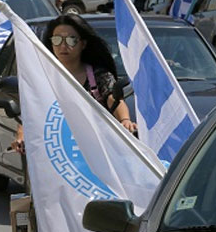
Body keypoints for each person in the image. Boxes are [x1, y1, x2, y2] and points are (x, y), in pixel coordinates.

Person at [11, 14, 137, 154]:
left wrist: (125, 120)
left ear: (83, 44)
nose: (63, 46)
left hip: (96, 152)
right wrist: (21, 137)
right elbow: (30, 114)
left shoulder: (98, 76)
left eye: (71, 40)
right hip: (56, 154)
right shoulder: (41, 78)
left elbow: (113, 98)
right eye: (57, 39)